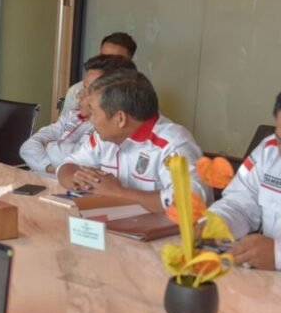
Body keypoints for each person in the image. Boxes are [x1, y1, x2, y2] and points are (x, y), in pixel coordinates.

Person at [57, 68, 209, 213]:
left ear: (120, 119)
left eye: (94, 112)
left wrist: (118, 193)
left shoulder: (171, 143)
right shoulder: (104, 137)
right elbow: (67, 166)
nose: (90, 119)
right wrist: (79, 178)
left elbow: (191, 200)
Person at [20, 55, 136, 173]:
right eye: (82, 87)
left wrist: (49, 146)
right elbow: (27, 147)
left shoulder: (110, 127)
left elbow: (84, 162)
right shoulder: (72, 115)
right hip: (48, 177)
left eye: (88, 89)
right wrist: (52, 168)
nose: (79, 94)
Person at [206, 93, 281, 270]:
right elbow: (240, 201)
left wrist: (277, 254)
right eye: (280, 139)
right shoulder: (268, 151)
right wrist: (218, 222)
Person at [60, 32, 137, 117]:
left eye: (115, 61)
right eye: (103, 57)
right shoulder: (75, 91)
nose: (107, 63)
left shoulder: (137, 95)